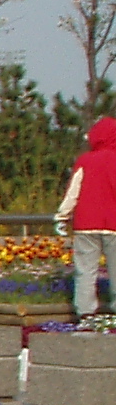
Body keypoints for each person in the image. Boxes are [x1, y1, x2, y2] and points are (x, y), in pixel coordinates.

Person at [55, 116, 116, 321]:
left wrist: (62, 216)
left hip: (86, 224)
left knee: (85, 271)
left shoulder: (85, 161)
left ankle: (86, 313)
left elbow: (74, 192)